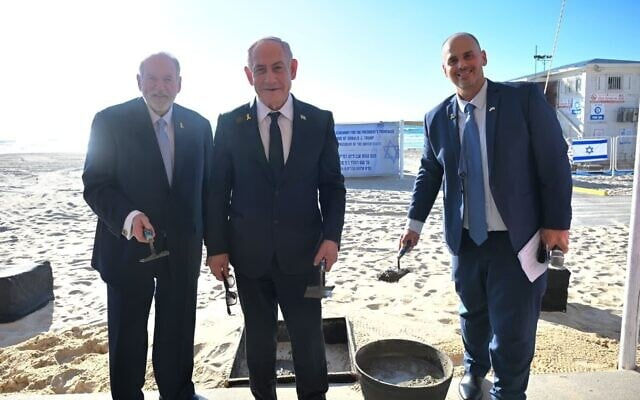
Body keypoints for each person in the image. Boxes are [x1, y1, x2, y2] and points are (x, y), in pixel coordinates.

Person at [400, 33, 572, 400]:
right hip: (465, 239)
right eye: (453, 60)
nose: (462, 65)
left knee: (514, 327)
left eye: (468, 56)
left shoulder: (523, 100)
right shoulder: (436, 118)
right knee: (472, 313)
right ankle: (475, 371)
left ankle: (508, 391)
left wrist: (557, 223)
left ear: (483, 57)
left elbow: (554, 160)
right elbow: (429, 172)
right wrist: (414, 225)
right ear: (444, 69)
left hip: (518, 239)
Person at [207, 36, 346, 400]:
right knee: (258, 337)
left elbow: (333, 187)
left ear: (293, 69)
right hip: (248, 255)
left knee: (308, 336)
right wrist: (217, 248)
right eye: (261, 69)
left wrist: (332, 237)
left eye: (278, 67)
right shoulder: (229, 123)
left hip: (305, 255)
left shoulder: (319, 121)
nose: (270, 78)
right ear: (248, 75)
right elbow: (217, 192)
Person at [82, 52, 214, 400]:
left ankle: (178, 393)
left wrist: (216, 247)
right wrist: (129, 217)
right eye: (152, 79)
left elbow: (209, 191)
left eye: (168, 79)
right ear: (139, 81)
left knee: (178, 329)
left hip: (182, 249)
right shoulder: (109, 121)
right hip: (126, 247)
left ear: (179, 84)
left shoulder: (199, 126)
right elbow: (95, 184)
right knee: (127, 333)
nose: (160, 87)